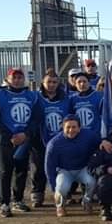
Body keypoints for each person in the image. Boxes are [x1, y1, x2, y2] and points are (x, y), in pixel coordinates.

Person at [0, 67, 40, 217]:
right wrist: (9, 135)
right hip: (4, 140)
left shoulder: (32, 96)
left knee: (21, 171)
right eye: (14, 77)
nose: (17, 80)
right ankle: (4, 203)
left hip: (24, 139)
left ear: (24, 79)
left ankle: (18, 200)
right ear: (8, 79)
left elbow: (36, 118)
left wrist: (26, 134)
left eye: (20, 77)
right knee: (5, 171)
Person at [44, 115, 98, 217]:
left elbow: (99, 145)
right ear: (63, 128)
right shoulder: (54, 144)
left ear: (79, 128)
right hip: (65, 171)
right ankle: (60, 206)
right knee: (61, 188)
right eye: (67, 127)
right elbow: (49, 167)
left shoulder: (89, 135)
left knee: (91, 181)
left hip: (83, 168)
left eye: (74, 127)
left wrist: (104, 142)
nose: (71, 130)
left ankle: (87, 202)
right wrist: (53, 187)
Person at [31, 69, 71, 207]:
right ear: (43, 82)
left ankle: (65, 193)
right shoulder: (36, 97)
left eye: (54, 82)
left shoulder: (66, 98)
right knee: (39, 167)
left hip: (61, 138)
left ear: (58, 83)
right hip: (40, 138)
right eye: (49, 82)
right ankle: (38, 194)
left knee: (64, 167)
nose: (51, 84)